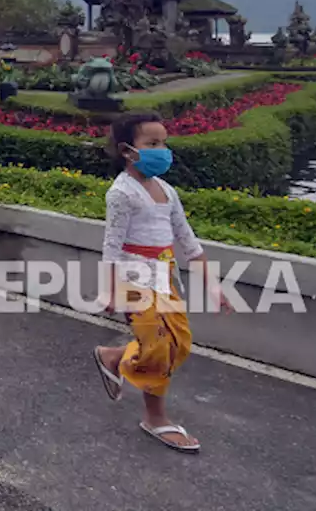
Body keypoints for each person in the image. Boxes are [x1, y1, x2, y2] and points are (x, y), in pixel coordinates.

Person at [92, 112, 231, 454]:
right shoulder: (121, 194)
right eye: (152, 144)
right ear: (128, 150)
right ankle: (156, 419)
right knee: (157, 347)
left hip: (164, 276)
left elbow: (188, 240)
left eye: (164, 142)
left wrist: (212, 285)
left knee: (178, 342)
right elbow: (111, 245)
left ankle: (114, 357)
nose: (162, 150)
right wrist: (110, 289)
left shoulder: (167, 191)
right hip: (133, 278)